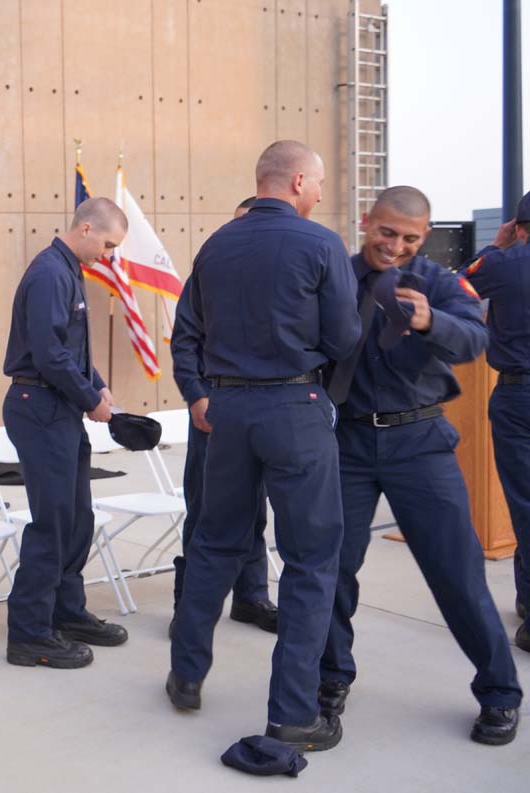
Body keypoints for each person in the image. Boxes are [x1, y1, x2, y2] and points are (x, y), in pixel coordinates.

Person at [168, 140, 360, 753]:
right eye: (320, 183)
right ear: (299, 180)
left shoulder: (216, 244)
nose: (321, 194)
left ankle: (186, 673)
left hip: (227, 413)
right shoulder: (320, 242)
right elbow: (345, 334)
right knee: (309, 560)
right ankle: (293, 714)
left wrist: (203, 391)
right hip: (293, 408)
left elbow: (188, 328)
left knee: (215, 541)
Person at [318, 185, 522, 745]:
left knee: (457, 574)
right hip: (348, 446)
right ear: (366, 222)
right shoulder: (334, 276)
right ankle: (330, 681)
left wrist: (434, 323)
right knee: (330, 573)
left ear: (424, 235)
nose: (396, 246)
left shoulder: (437, 281)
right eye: (387, 233)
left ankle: (501, 693)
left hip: (420, 441)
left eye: (409, 237)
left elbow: (475, 340)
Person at [1, 196, 129, 670]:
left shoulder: (67, 270)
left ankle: (66, 611)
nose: (110, 256)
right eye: (109, 244)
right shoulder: (50, 273)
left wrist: (96, 385)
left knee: (77, 518)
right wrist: (88, 398)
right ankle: (30, 633)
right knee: (52, 523)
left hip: (58, 406)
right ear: (87, 227)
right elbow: (49, 354)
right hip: (40, 406)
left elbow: (67, 351)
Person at [170, 195, 278, 639]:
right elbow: (183, 344)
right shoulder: (206, 277)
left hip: (265, 413)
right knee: (206, 512)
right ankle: (188, 609)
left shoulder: (278, 279)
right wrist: (196, 398)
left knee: (254, 509)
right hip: (213, 410)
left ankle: (251, 598)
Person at [463, 190, 530, 655]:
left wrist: (496, 247)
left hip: (519, 395)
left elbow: (458, 287)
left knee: (525, 504)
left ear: (518, 226)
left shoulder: (505, 263)